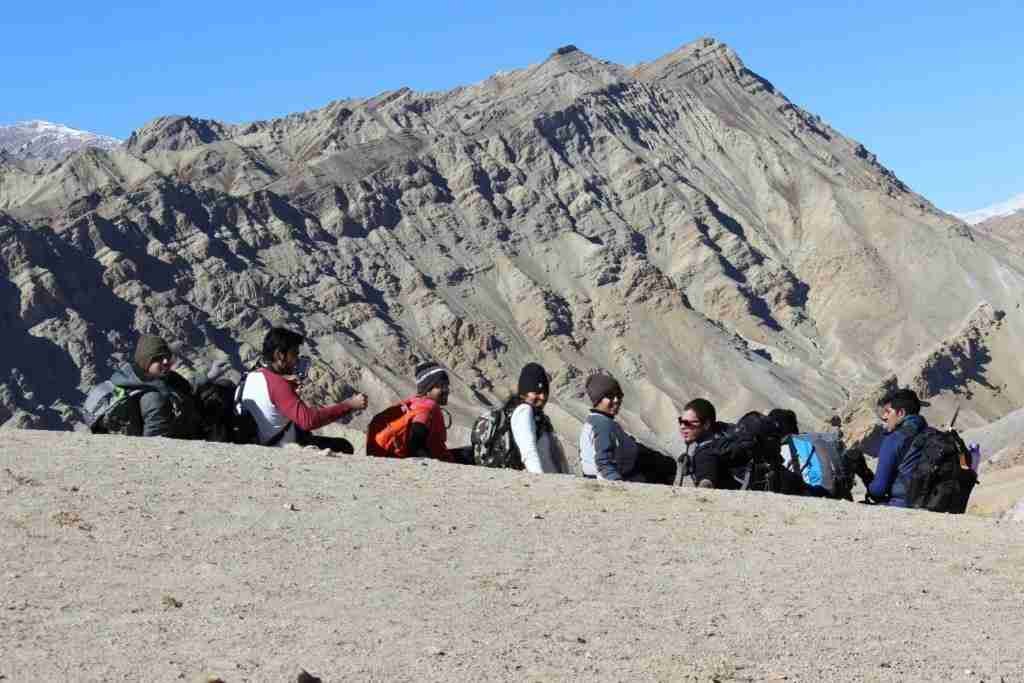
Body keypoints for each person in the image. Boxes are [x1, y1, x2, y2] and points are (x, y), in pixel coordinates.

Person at [239, 327, 367, 453]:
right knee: (344, 446)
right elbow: (308, 421)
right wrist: (350, 404)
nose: (296, 360)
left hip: (258, 442)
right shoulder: (278, 385)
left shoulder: (251, 375)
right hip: (279, 450)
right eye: (294, 354)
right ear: (279, 355)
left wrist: (289, 391)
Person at [578, 372, 676, 483]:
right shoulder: (602, 424)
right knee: (667, 465)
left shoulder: (596, 420)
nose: (616, 400)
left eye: (619, 395)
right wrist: (617, 485)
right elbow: (603, 462)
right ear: (598, 399)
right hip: (622, 475)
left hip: (622, 469)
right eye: (610, 396)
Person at [108, 334, 206, 438]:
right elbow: (156, 446)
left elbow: (189, 391)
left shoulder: (166, 379)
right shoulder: (153, 398)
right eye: (158, 358)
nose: (166, 361)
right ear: (146, 361)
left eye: (167, 357)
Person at [854, 388, 929, 507]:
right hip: (931, 504)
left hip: (902, 505)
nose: (885, 417)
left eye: (888, 411)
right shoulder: (930, 435)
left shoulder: (894, 438)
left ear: (901, 413)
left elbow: (878, 490)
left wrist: (864, 473)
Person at [506, 362, 567, 474]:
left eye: (544, 392)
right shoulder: (524, 411)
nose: (542, 397)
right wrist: (540, 483)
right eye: (537, 392)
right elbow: (529, 452)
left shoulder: (537, 416)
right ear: (524, 392)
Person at [677, 398, 730, 488]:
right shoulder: (722, 432)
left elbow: (706, 483)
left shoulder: (705, 453)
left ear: (706, 425)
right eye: (681, 421)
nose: (682, 427)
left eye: (688, 423)